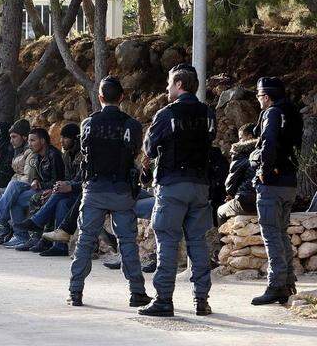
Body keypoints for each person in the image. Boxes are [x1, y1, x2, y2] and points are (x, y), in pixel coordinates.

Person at [139, 64, 216, 317]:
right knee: (198, 243)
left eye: (170, 83)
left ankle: (163, 299)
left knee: (167, 242)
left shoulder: (166, 114)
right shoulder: (207, 113)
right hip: (200, 186)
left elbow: (149, 148)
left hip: (173, 185)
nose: (167, 87)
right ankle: (201, 300)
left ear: (180, 85)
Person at [66, 76, 150, 308]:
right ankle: (137, 292)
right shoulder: (131, 125)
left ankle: (75, 292)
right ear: (121, 97)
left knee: (85, 241)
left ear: (100, 97)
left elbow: (85, 152)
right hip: (121, 189)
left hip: (94, 190)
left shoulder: (88, 124)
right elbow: (134, 152)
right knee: (128, 242)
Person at [250, 77, 303, 305]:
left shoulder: (272, 113)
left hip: (272, 183)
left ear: (267, 96)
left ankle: (276, 285)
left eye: (260, 97)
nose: (259, 101)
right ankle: (288, 282)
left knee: (272, 235)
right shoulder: (293, 114)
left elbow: (269, 143)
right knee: (281, 234)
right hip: (289, 182)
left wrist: (263, 168)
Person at [18, 123, 82, 256]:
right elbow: (65, 178)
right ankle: (58, 245)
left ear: (75, 139)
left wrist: (62, 187)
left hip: (81, 194)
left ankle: (37, 223)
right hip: (69, 192)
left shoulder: (79, 156)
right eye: (61, 137)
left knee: (57, 198)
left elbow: (82, 181)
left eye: (65, 138)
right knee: (60, 202)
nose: (61, 141)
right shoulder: (67, 155)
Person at [217, 123, 258, 224]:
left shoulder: (241, 154)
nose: (239, 141)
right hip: (269, 200)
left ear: (250, 137)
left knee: (220, 211)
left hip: (247, 202)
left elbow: (229, 186)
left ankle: (222, 240)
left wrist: (232, 195)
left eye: (241, 138)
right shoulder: (267, 151)